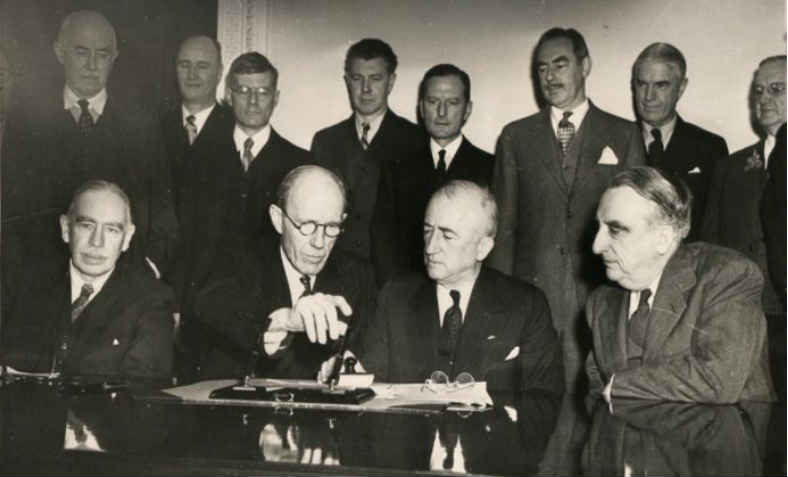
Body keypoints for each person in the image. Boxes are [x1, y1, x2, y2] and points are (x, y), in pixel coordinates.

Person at [488, 27, 645, 393]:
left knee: (595, 409)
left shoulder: (624, 134)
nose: (550, 76)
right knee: (533, 408)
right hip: (532, 304)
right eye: (542, 69)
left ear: (585, 66)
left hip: (601, 303)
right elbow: (504, 227)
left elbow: (636, 225)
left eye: (560, 65)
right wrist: (500, 305)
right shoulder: (516, 137)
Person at [1, 10, 178, 277]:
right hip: (40, 280)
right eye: (81, 53)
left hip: (121, 283)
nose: (92, 65)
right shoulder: (28, 122)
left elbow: (163, 211)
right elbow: (12, 209)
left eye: (103, 54)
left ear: (115, 57)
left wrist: (150, 266)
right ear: (60, 53)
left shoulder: (142, 125)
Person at [586, 166, 775, 403]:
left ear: (663, 239)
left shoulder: (727, 276)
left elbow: (719, 380)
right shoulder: (600, 303)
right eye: (599, 228)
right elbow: (596, 396)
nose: (596, 245)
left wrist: (619, 384)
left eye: (615, 230)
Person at [354, 180, 563, 392]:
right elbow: (369, 387)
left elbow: (542, 401)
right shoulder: (395, 297)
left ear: (482, 247)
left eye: (447, 235)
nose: (431, 247)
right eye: (428, 231)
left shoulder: (526, 305)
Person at [195, 165, 376, 379]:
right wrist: (285, 320)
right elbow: (210, 308)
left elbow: (365, 352)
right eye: (306, 225)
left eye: (331, 227)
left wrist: (345, 366)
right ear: (278, 219)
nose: (319, 243)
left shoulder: (356, 275)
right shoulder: (237, 265)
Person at [1, 180, 175, 379]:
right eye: (86, 225)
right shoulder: (19, 284)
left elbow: (141, 393)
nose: (97, 242)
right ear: (66, 229)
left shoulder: (152, 301)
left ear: (127, 238)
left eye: (111, 230)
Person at [701, 55, 786, 398]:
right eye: (759, 91)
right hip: (745, 313)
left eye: (777, 89)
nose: (764, 99)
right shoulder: (731, 167)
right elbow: (711, 243)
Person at [374, 64, 493, 284]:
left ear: (467, 109)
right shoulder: (396, 168)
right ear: (421, 107)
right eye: (433, 102)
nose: (441, 112)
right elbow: (384, 246)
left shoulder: (491, 168)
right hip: (408, 298)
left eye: (452, 102)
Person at [311, 38, 423, 272]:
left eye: (375, 79)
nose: (365, 89)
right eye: (357, 78)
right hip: (337, 274)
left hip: (396, 280)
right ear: (346, 81)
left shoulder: (416, 140)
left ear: (391, 82)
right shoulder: (325, 141)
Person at [160, 35, 235, 381]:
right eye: (184, 65)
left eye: (202, 66)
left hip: (211, 291)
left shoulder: (236, 129)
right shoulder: (152, 125)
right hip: (158, 281)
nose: (192, 75)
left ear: (219, 72)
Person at [632, 42, 728, 240]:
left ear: (681, 88)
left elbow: (716, 226)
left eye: (661, 85)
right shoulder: (616, 140)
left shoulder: (710, 147)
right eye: (642, 84)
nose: (648, 96)